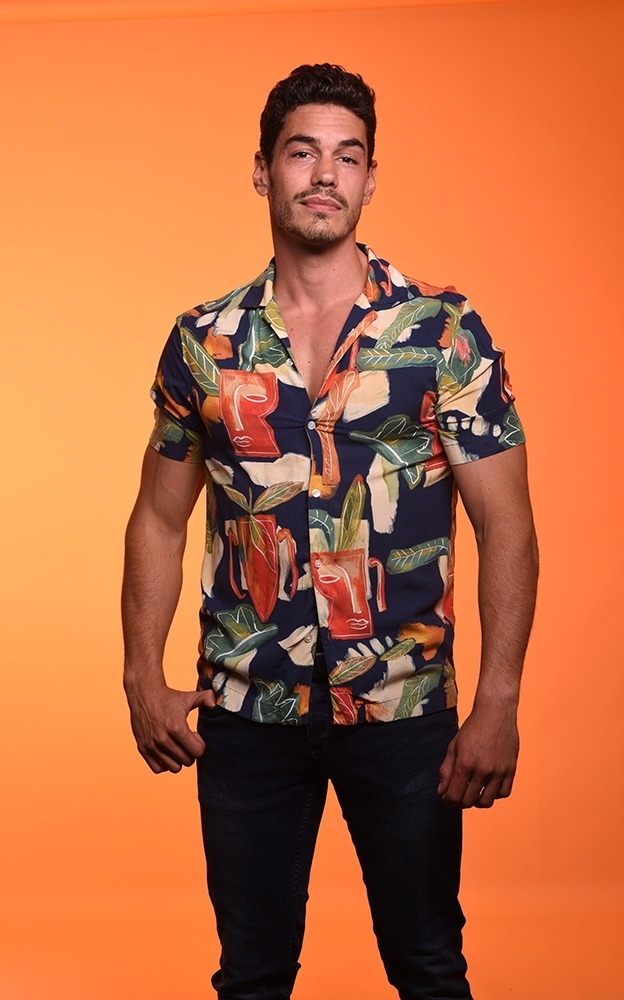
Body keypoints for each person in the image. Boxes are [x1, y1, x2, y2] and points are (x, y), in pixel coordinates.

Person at [122, 63, 538, 1000]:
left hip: (402, 708)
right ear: (262, 170)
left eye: (347, 157)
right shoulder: (205, 342)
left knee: (428, 967)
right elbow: (156, 516)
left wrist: (499, 701)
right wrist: (141, 674)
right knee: (252, 977)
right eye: (302, 153)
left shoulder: (442, 331)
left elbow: (506, 523)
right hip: (247, 713)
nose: (324, 175)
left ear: (370, 179)